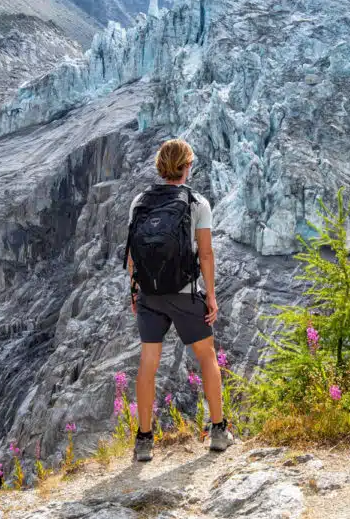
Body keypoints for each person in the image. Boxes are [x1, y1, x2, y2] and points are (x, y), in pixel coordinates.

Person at [123, 139, 234, 462]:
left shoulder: (139, 202)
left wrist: (135, 290)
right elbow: (207, 254)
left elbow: (132, 254)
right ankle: (218, 431)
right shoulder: (197, 202)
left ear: (161, 167)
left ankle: (144, 441)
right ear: (187, 167)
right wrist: (210, 296)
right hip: (184, 293)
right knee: (206, 357)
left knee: (148, 363)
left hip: (149, 295)